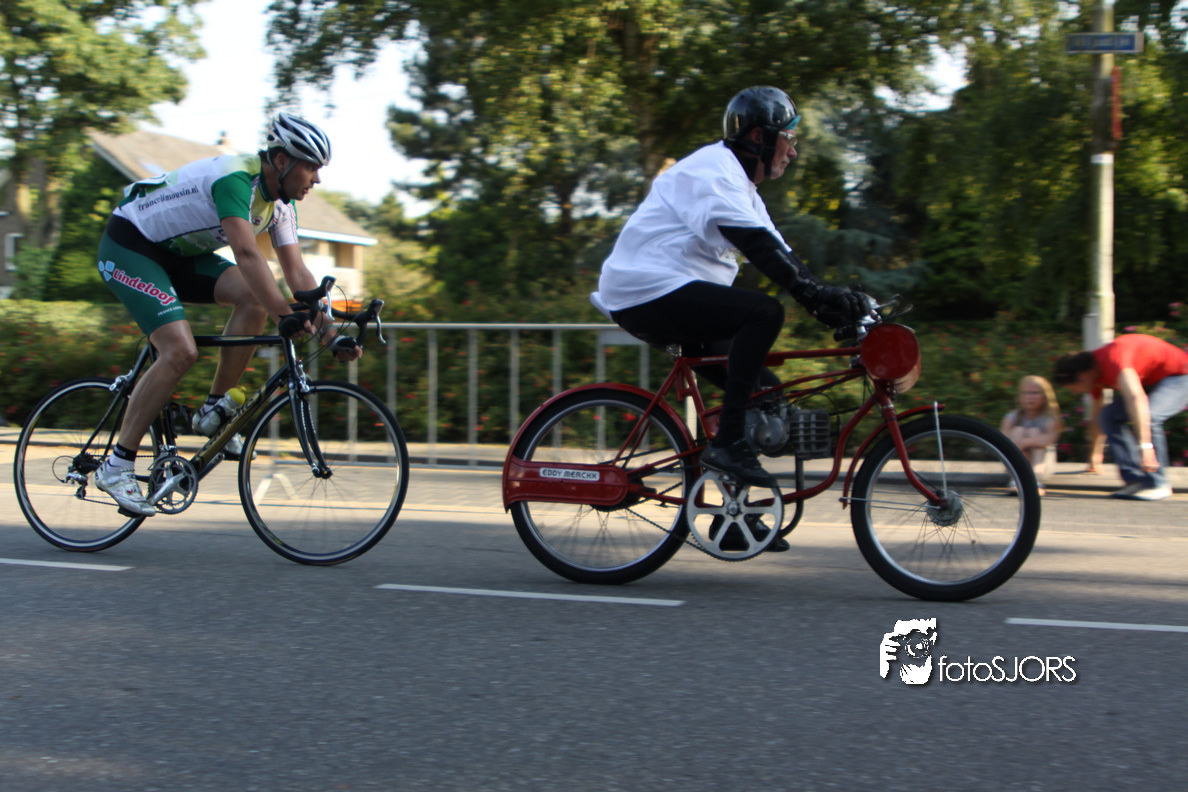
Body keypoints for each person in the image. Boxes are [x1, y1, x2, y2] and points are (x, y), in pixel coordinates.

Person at [590, 86, 867, 489]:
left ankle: (735, 510)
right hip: (646, 291)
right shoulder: (713, 170)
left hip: (672, 293)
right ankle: (729, 443)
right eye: (789, 138)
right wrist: (813, 295)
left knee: (765, 394)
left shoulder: (742, 189)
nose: (793, 152)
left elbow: (781, 255)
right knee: (764, 312)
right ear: (759, 136)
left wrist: (829, 305)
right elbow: (755, 244)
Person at [93, 112, 362, 516]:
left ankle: (214, 409)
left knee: (253, 298)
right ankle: (116, 466)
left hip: (177, 255)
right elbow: (247, 254)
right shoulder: (236, 179)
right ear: (282, 160)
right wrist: (282, 315)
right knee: (179, 351)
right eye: (311, 167)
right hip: (131, 246)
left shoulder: (280, 206)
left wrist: (331, 333)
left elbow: (297, 274)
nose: (317, 179)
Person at [1053, 333, 1188, 501]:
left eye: (1072, 387)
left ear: (1083, 376)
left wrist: (1145, 447)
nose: (1074, 392)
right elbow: (1097, 418)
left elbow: (1136, 398)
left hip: (1179, 376)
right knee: (1108, 416)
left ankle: (1158, 484)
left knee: (1150, 416)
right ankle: (1136, 480)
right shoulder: (1094, 376)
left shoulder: (1114, 360)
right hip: (1149, 380)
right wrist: (1094, 457)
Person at [999, 375, 1063, 496]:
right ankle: (1016, 480)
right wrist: (1022, 447)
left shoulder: (1049, 419)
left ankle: (1035, 482)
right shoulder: (1012, 417)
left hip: (1042, 464)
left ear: (1045, 396)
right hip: (1016, 461)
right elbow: (1002, 442)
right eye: (1025, 393)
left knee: (1034, 432)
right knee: (1018, 431)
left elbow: (1050, 439)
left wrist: (1025, 442)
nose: (1029, 397)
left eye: (1034, 393)